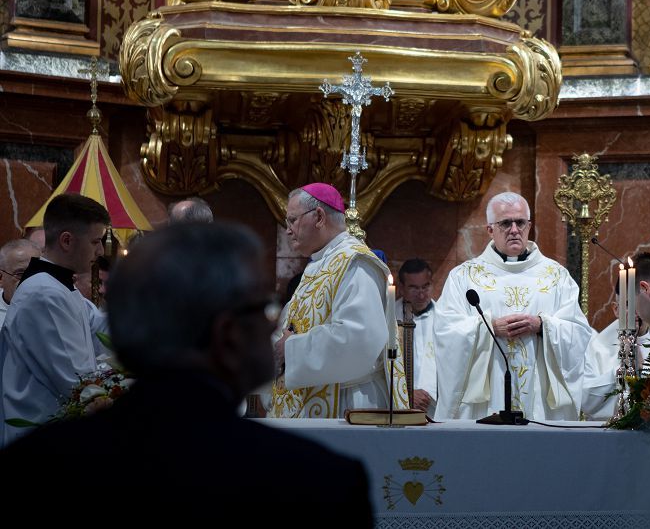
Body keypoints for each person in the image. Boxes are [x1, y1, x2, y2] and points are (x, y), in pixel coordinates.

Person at [0, 223, 373, 518]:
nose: (274, 325)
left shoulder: (33, 468)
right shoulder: (318, 483)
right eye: (265, 308)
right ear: (227, 334)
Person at [433, 192, 593, 421]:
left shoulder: (556, 276)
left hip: (539, 399)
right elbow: (445, 331)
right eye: (505, 223)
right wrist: (488, 327)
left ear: (529, 226)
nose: (514, 230)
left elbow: (578, 332)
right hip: (487, 399)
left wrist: (542, 325)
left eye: (520, 222)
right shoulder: (464, 276)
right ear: (490, 229)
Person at [267, 183, 390, 418]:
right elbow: (290, 324)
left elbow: (359, 339)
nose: (288, 230)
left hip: (347, 404)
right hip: (316, 399)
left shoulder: (355, 262)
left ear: (319, 217)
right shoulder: (320, 263)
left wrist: (291, 349)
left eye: (292, 220)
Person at [0, 194, 109, 445]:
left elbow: (99, 329)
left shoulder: (59, 287)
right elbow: (76, 383)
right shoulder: (43, 294)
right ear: (67, 241)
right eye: (95, 241)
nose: (101, 251)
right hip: (39, 435)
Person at [396, 258, 437, 416]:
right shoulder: (388, 319)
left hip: (434, 406)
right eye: (413, 288)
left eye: (425, 287)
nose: (421, 295)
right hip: (399, 404)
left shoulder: (446, 319)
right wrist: (406, 393)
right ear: (401, 288)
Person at [0, 239, 40, 326]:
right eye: (20, 274)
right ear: (1, 278)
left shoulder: (56, 306)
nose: (31, 281)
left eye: (36, 273)